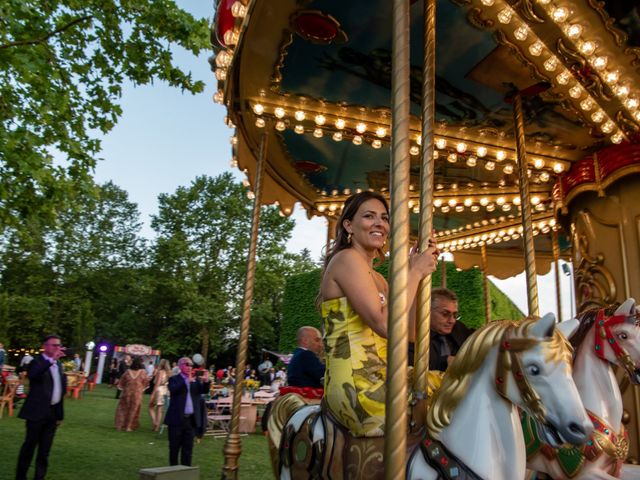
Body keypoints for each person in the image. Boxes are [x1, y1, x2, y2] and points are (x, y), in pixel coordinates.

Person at [319, 191, 438, 437]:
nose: (379, 224)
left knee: (452, 392)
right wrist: (414, 273)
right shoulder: (345, 259)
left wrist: (415, 273)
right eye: (369, 216)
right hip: (355, 382)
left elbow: (410, 333)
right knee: (403, 422)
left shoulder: (381, 281)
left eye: (384, 218)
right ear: (348, 225)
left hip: (386, 373)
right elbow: (385, 324)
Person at [15, 335, 68, 480]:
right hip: (36, 413)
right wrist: (51, 361)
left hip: (52, 414)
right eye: (54, 345)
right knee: (29, 448)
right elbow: (34, 375)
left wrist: (59, 415)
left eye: (59, 345)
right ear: (45, 346)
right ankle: (21, 477)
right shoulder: (36, 362)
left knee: (45, 451)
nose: (57, 348)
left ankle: (39, 477)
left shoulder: (59, 366)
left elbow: (60, 390)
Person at [164, 357, 211, 466]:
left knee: (188, 448)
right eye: (187, 364)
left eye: (191, 365)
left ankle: (186, 471)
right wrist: (186, 382)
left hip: (190, 420)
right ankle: (173, 470)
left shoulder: (195, 380)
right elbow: (173, 389)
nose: (189, 367)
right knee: (174, 447)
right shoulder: (174, 379)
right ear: (180, 366)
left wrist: (206, 381)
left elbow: (204, 390)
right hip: (177, 419)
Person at [427, 288, 473, 371]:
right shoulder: (416, 334)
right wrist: (445, 361)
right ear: (428, 311)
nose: (452, 320)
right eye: (445, 314)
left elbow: (478, 338)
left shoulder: (458, 328)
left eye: (455, 315)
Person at [114, 357, 149, 431]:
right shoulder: (143, 372)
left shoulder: (127, 372)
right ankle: (129, 426)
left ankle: (121, 425)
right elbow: (146, 382)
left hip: (127, 392)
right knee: (134, 409)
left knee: (123, 408)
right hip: (137, 394)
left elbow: (121, 382)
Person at [149, 359, 171, 432]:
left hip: (159, 389)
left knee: (150, 406)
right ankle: (157, 426)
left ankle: (155, 423)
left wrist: (153, 394)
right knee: (160, 409)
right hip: (166, 390)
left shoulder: (160, 372)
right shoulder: (169, 373)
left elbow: (157, 383)